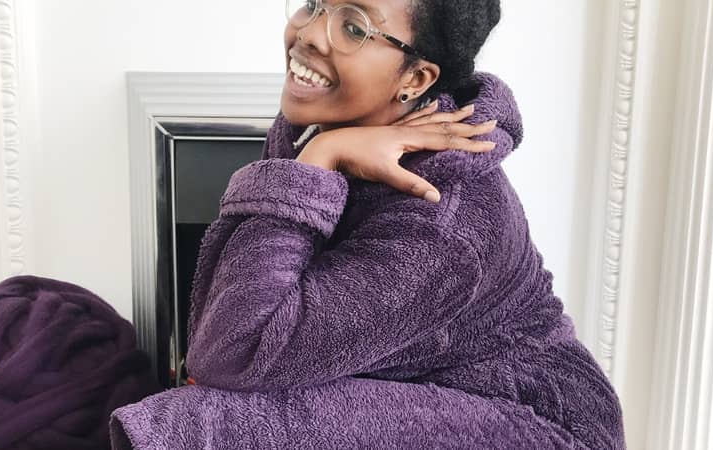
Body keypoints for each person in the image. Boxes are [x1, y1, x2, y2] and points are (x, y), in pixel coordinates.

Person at [109, 1, 627, 448]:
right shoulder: (318, 119)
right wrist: (319, 152)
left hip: (531, 423)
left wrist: (318, 160)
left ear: (417, 79)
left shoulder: (442, 222)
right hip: (422, 384)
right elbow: (222, 324)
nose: (311, 34)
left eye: (353, 26)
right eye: (314, 4)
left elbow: (232, 351)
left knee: (198, 426)